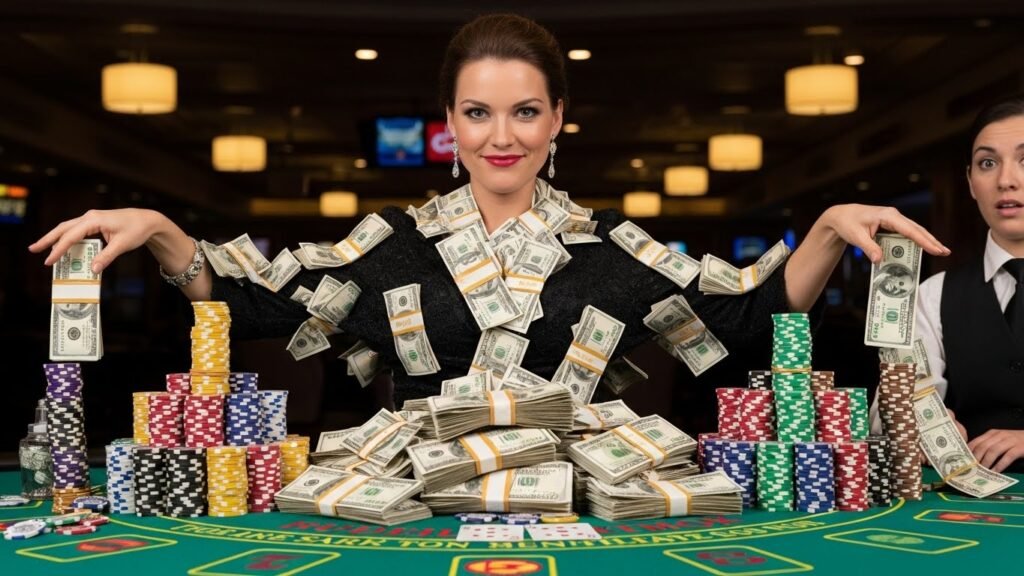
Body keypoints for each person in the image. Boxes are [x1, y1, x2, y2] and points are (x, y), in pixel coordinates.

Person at [29, 14, 948, 409]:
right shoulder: (392, 244)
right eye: (478, 112)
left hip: (586, 522)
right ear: (450, 128)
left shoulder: (609, 250)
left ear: (557, 123)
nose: (500, 135)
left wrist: (828, 226)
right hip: (418, 523)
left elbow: (748, 317)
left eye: (523, 111)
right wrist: (158, 231)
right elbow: (259, 302)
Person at [870, 94, 1024, 473]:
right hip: (972, 512)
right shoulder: (931, 295)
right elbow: (884, 419)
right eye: (987, 163)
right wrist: (914, 426)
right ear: (971, 183)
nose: (1006, 181)